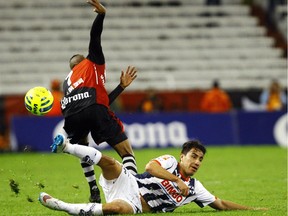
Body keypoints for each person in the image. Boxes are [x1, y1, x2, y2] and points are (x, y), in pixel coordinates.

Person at [39, 136, 267, 215]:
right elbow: (149, 167)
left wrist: (253, 210)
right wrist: (176, 180)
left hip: (134, 203)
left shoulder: (196, 188)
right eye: (194, 156)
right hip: (129, 182)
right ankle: (66, 147)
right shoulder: (169, 162)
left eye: (200, 159)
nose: (197, 162)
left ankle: (64, 206)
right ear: (182, 156)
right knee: (109, 162)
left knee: (114, 210)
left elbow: (222, 204)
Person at [51, 0, 138, 203]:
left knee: (83, 147)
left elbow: (94, 101)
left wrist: (120, 87)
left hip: (72, 116)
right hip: (93, 109)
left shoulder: (67, 81)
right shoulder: (92, 62)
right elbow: (94, 37)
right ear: (83, 61)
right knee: (126, 152)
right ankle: (134, 191)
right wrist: (101, 15)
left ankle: (94, 191)